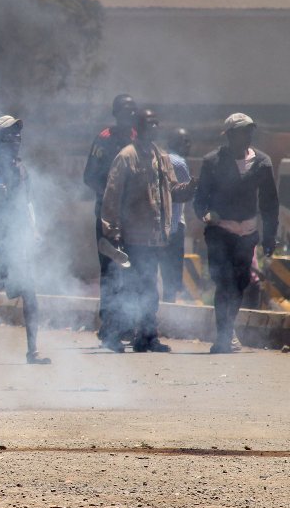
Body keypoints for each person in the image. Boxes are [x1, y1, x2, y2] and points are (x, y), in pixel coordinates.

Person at [101, 109, 195, 353]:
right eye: (150, 124)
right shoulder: (126, 157)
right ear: (139, 127)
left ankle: (147, 337)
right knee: (130, 288)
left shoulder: (161, 157)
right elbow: (112, 195)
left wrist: (191, 187)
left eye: (156, 124)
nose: (154, 128)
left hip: (154, 237)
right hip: (132, 236)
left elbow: (173, 189)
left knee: (150, 288)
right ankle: (113, 335)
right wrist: (113, 231)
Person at [193, 113, 278, 354]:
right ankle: (223, 335)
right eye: (241, 131)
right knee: (224, 282)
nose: (247, 136)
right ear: (229, 135)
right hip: (221, 232)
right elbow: (200, 200)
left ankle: (228, 328)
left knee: (240, 283)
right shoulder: (213, 161)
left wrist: (269, 237)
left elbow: (269, 203)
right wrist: (205, 214)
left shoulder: (262, 163)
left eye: (249, 131)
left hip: (247, 233)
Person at [0, 116, 50, 366]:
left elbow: (26, 204)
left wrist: (33, 230)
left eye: (18, 137)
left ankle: (32, 351)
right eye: (11, 137)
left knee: (29, 294)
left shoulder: (21, 170)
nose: (17, 141)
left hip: (15, 242)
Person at [83, 94, 138, 346]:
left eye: (133, 110)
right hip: (108, 217)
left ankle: (129, 325)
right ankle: (109, 325)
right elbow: (90, 177)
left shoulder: (139, 138)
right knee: (110, 272)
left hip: (136, 221)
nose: (131, 114)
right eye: (126, 110)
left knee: (133, 271)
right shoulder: (104, 139)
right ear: (116, 113)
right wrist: (111, 199)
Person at [162, 128, 192, 303]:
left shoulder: (158, 159)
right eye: (184, 141)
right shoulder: (179, 163)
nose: (188, 145)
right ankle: (168, 311)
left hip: (155, 227)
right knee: (171, 279)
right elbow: (187, 193)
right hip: (173, 228)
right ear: (173, 142)